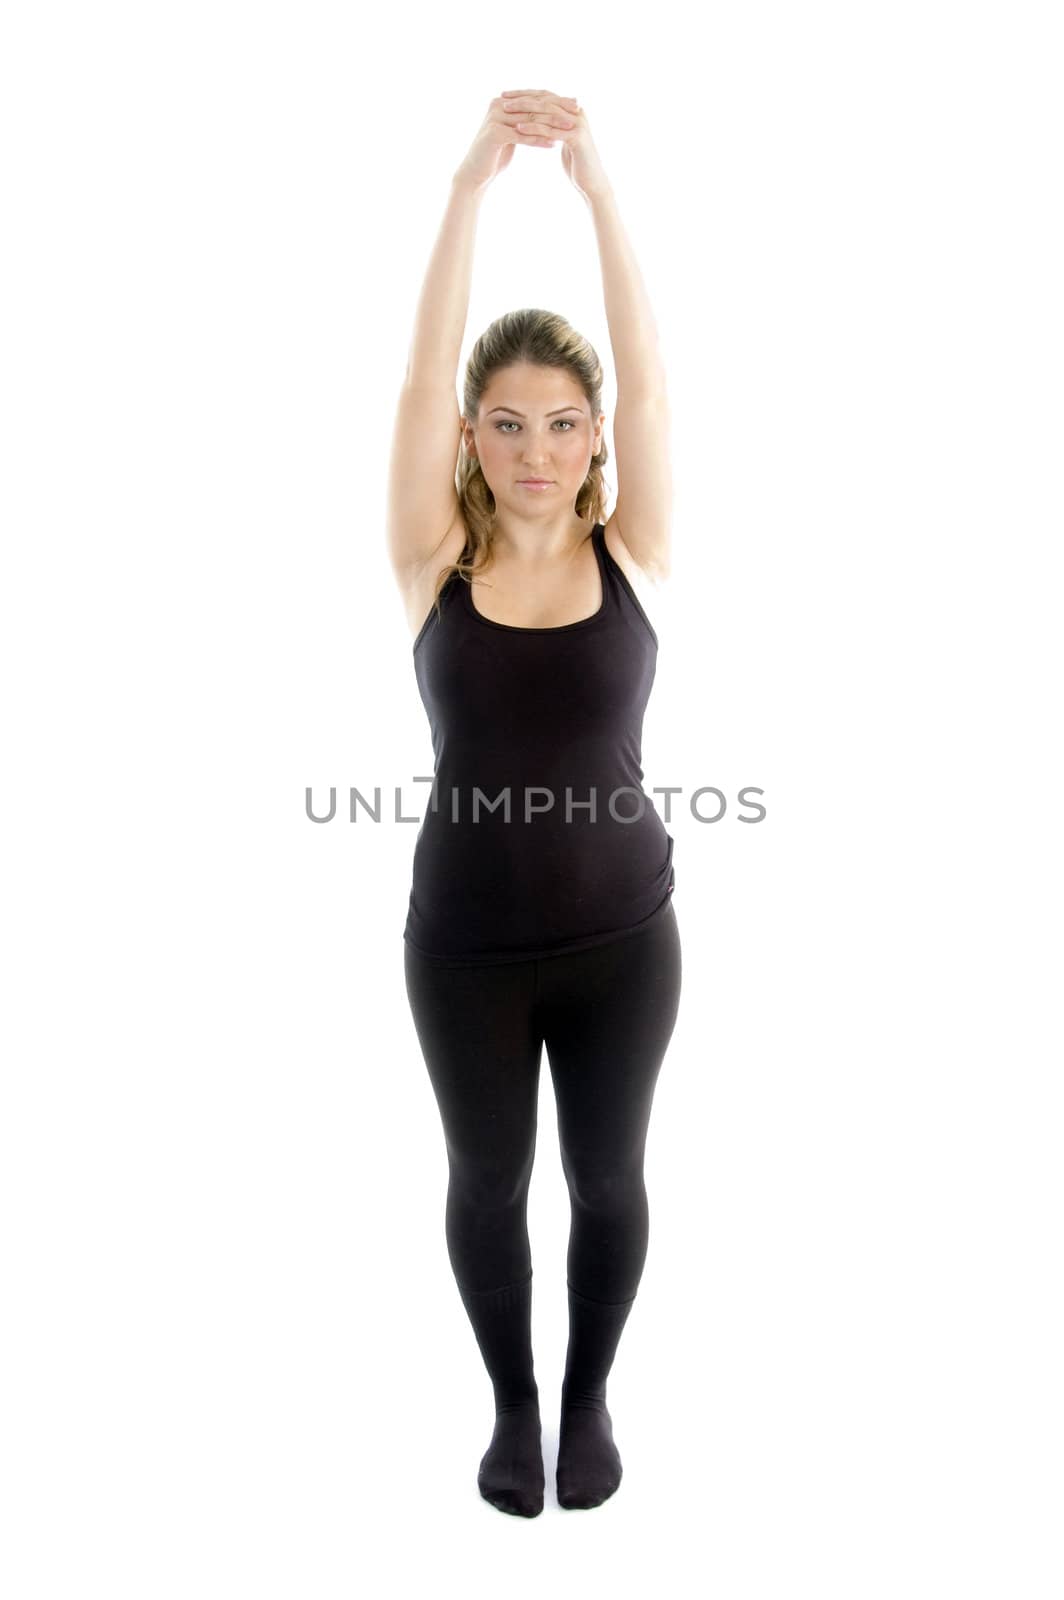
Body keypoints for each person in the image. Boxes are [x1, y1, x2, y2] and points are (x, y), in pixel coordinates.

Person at [387, 90, 682, 1518]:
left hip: (627, 940)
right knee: (489, 1186)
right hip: (464, 953)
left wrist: (601, 198)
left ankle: (589, 1395)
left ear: (591, 435)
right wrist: (466, 191)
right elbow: (416, 382)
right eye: (506, 425)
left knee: (610, 1183)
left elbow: (652, 379)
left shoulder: (637, 546)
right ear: (475, 435)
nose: (536, 451)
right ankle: (512, 1402)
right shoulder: (430, 561)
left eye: (562, 425)